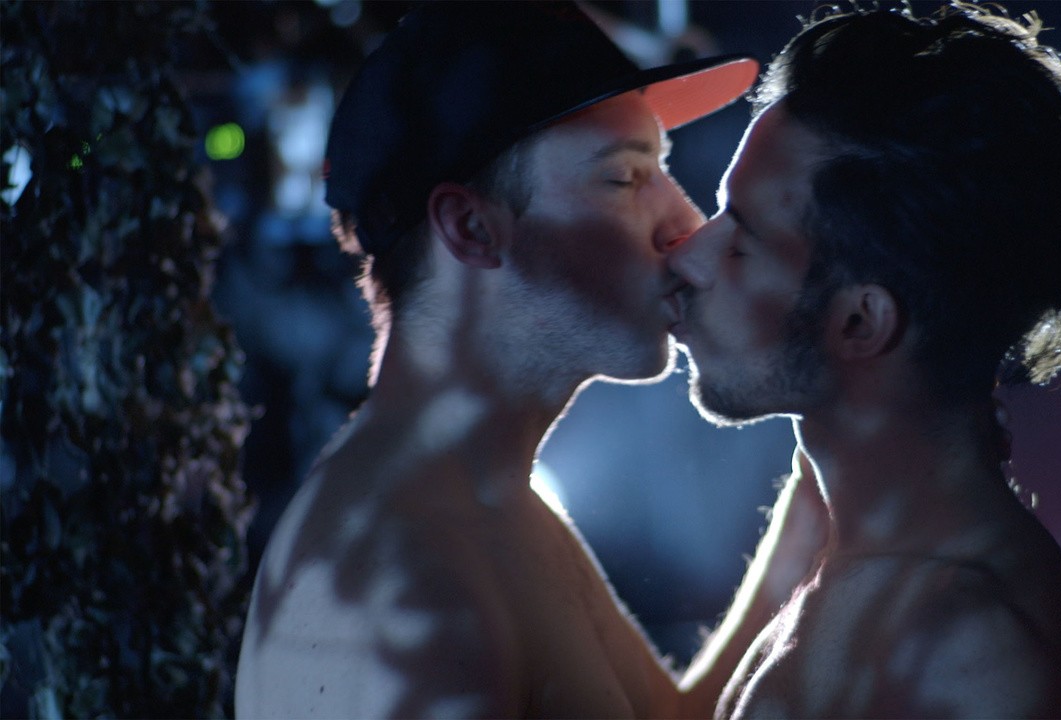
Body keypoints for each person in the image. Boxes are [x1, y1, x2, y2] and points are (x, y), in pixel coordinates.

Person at [233, 3, 815, 717]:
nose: (687, 225)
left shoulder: (484, 500)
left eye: (660, 169)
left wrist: (820, 485)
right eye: (624, 179)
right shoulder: (415, 575)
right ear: (472, 228)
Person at [668, 3, 1061, 718]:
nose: (686, 256)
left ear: (861, 322)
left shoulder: (970, 651)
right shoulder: (878, 562)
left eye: (741, 239)